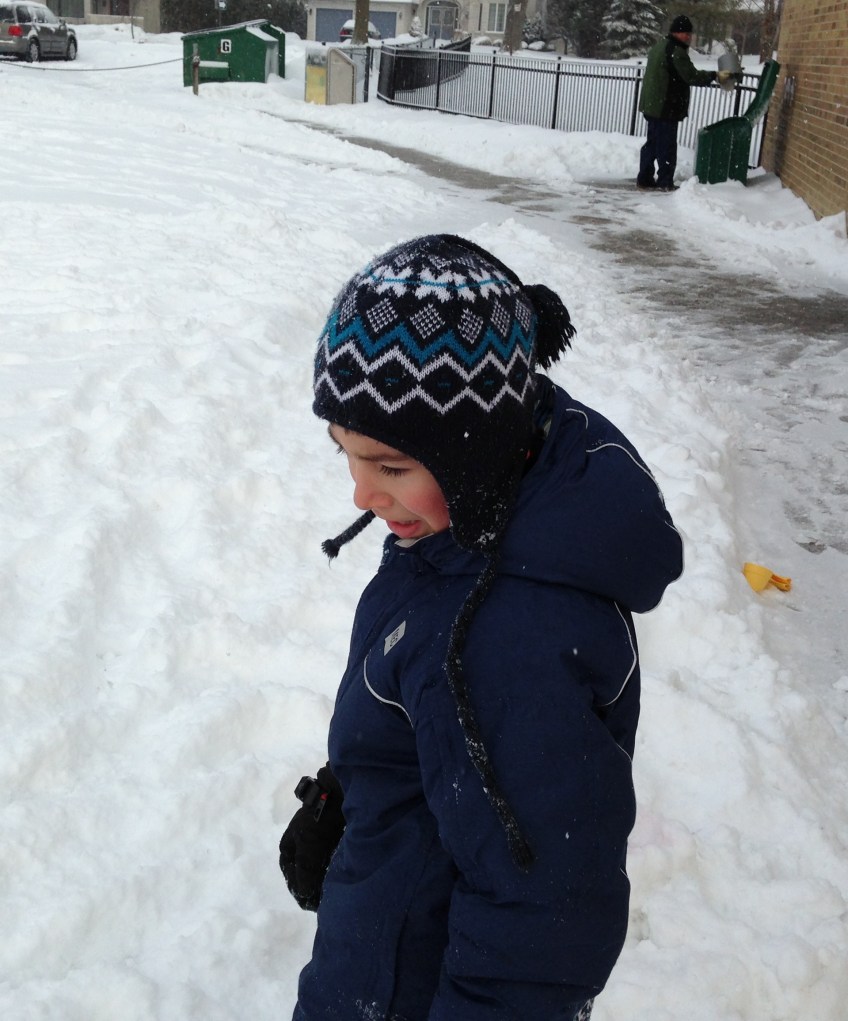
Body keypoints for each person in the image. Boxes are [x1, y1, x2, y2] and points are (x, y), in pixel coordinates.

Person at [279, 234, 684, 1021]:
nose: (361, 493)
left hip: (418, 984)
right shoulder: (459, 529)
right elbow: (425, 707)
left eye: (389, 465)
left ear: (474, 449)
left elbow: (540, 916)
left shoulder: (505, 638)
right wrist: (351, 790)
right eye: (345, 454)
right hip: (387, 932)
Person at [637, 14, 736, 191]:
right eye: (685, 33)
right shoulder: (676, 51)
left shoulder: (660, 46)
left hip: (652, 105)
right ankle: (665, 183)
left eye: (690, 33)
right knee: (666, 146)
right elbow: (691, 76)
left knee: (653, 143)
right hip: (665, 106)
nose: (688, 37)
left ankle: (644, 178)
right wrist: (715, 75)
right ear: (675, 32)